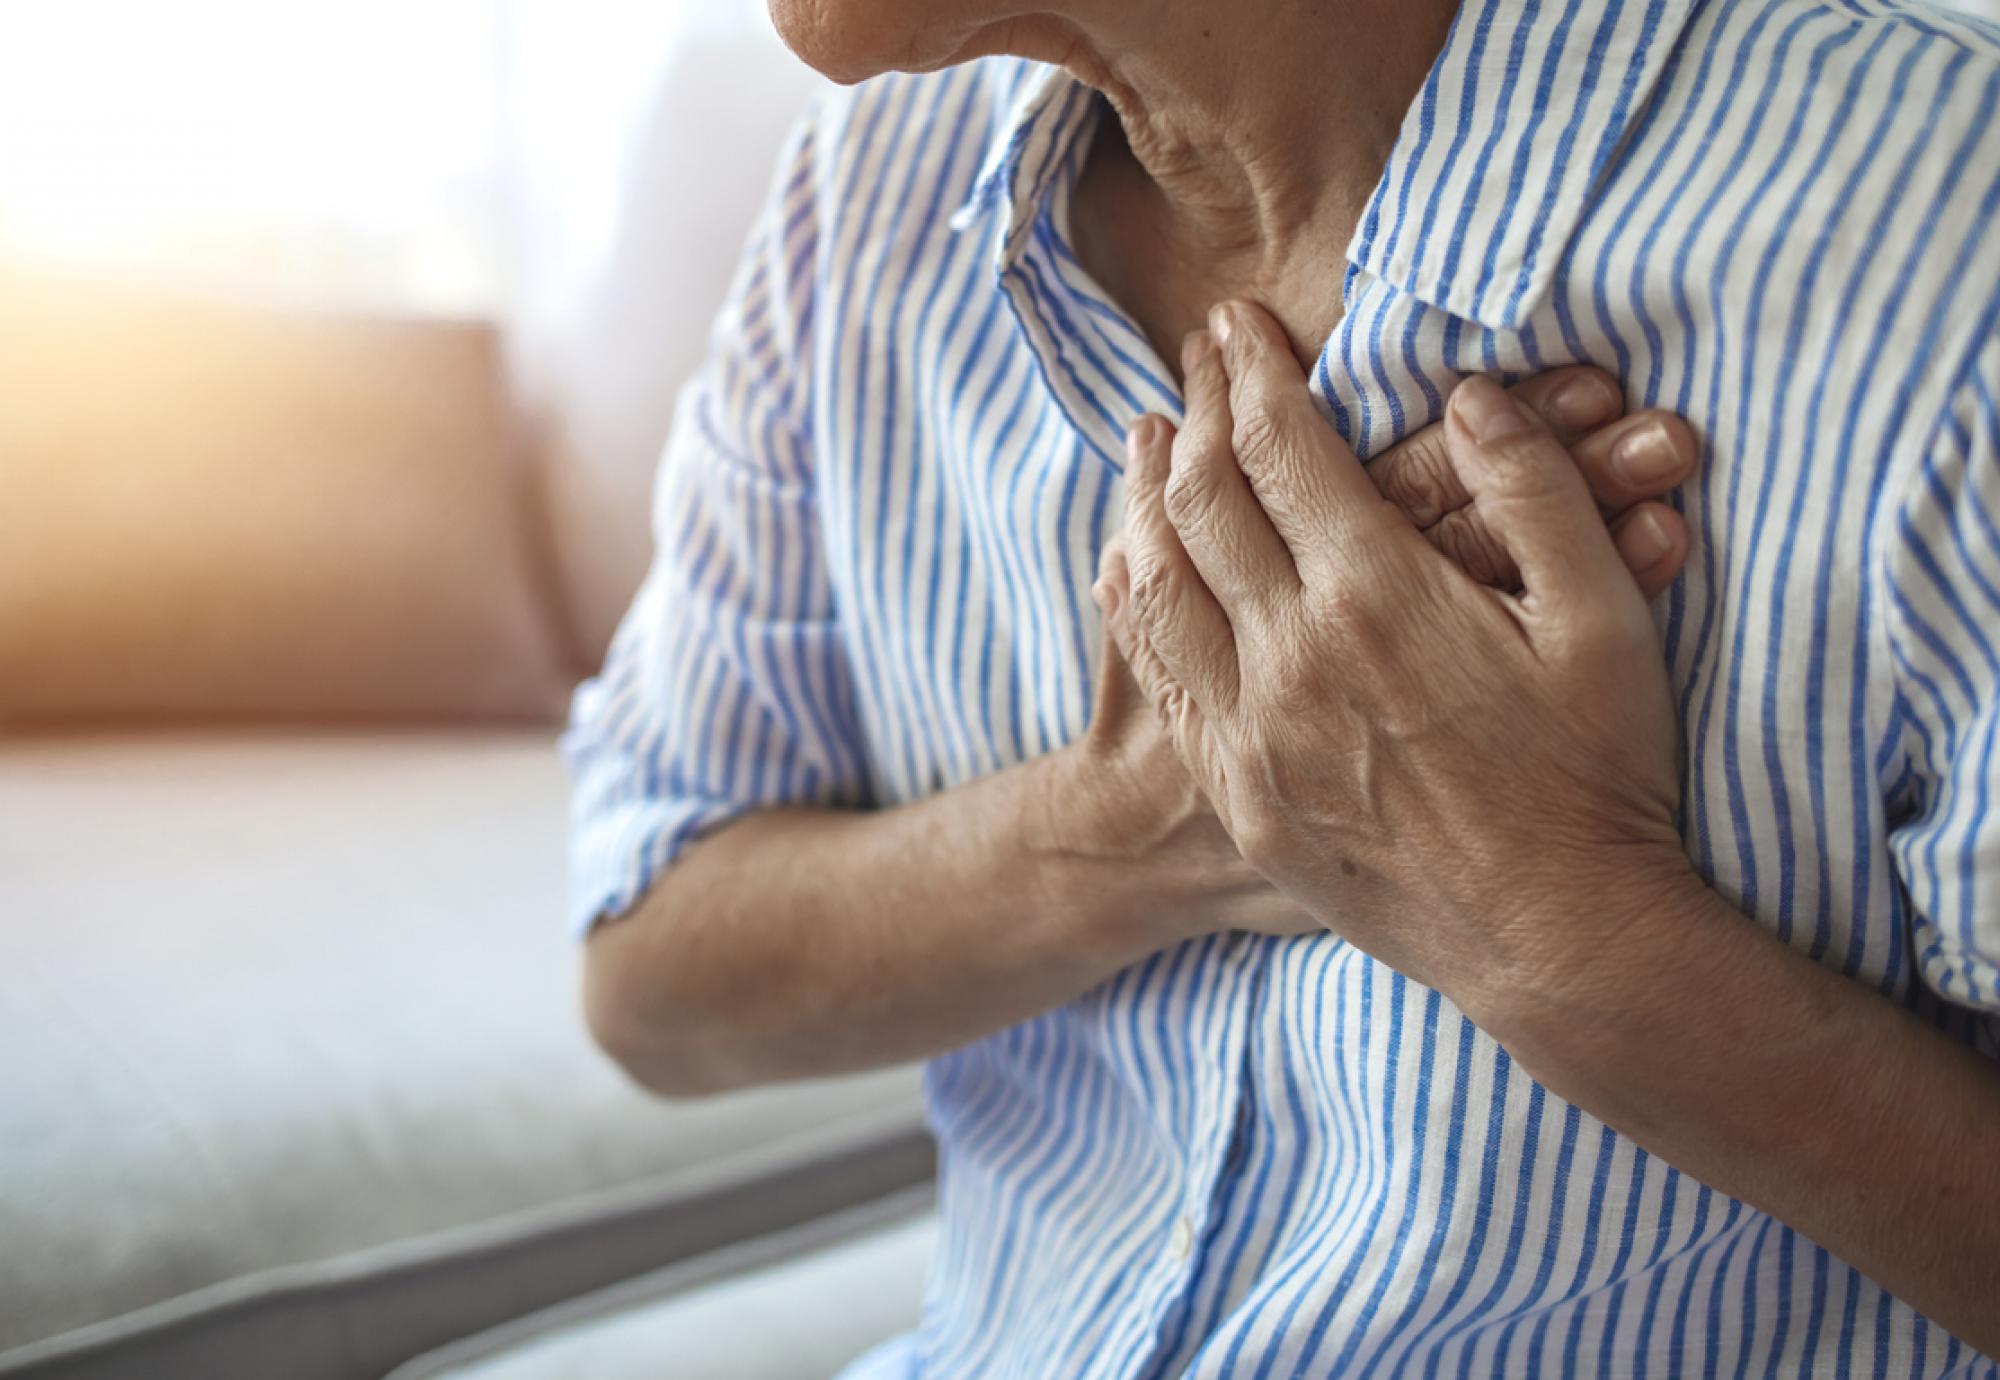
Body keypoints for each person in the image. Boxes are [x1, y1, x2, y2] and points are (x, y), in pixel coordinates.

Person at [564, 0, 2000, 1370]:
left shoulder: (1951, 233)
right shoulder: (871, 182)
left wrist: (1567, 934)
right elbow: (651, 971)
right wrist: (1167, 811)